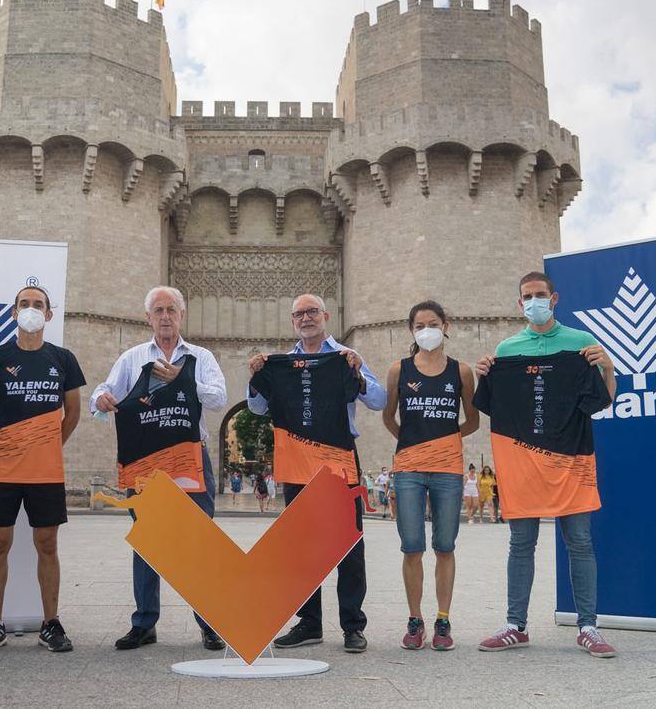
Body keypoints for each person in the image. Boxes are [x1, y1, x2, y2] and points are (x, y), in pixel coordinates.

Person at [474, 271, 618, 658]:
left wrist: (608, 367)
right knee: (521, 544)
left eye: (540, 295)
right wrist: (486, 375)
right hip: (523, 463)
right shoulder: (506, 350)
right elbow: (490, 403)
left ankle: (588, 625)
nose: (534, 301)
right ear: (519, 303)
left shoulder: (581, 342)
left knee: (580, 543)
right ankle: (515, 625)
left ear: (553, 299)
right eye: (527, 296)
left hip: (571, 461)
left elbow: (603, 399)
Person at [247, 293, 386, 654]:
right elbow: (258, 407)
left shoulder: (344, 358)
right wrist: (256, 377)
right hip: (296, 461)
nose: (306, 318)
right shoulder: (282, 363)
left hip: (338, 458)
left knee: (349, 543)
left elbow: (379, 400)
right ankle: (309, 623)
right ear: (293, 321)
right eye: (298, 314)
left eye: (311, 312)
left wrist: (357, 373)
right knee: (299, 544)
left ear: (325, 315)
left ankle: (353, 626)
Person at [92, 286, 227, 652]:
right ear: (147, 318)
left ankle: (210, 623)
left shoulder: (200, 357)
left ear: (181, 316)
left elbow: (219, 397)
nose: (165, 316)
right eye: (158, 310)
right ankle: (144, 623)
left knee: (199, 542)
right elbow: (103, 393)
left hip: (189, 457)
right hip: (147, 463)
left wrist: (182, 381)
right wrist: (100, 400)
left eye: (171, 310)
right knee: (149, 542)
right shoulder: (132, 358)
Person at [0, 286, 85, 655]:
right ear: (13, 312)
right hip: (2, 470)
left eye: (38, 305)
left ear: (49, 315)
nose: (31, 310)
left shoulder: (63, 359)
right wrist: (3, 444)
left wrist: (49, 444)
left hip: (46, 471)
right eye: (25, 304)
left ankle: (50, 623)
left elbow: (74, 412)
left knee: (47, 544)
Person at [382, 301, 480, 651]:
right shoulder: (399, 369)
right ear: (411, 330)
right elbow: (388, 417)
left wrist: (444, 442)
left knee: (445, 545)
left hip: (448, 469)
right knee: (411, 546)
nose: (427, 329)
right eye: (420, 324)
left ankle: (442, 618)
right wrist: (413, 444)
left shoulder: (462, 371)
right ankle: (414, 619)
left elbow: (472, 420)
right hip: (408, 467)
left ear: (445, 326)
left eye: (433, 323)